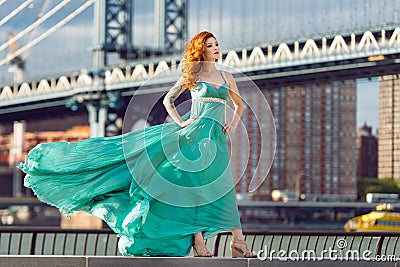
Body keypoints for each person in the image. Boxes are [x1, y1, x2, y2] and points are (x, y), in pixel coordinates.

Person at [18, 30, 256, 258]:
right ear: (201, 51)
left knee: (223, 188)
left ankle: (237, 241)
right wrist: (182, 123)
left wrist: (233, 124)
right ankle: (201, 242)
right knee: (191, 191)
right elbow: (168, 100)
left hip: (216, 142)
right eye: (210, 45)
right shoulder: (193, 77)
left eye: (216, 44)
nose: (216, 48)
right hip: (191, 138)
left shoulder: (227, 77)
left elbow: (239, 105)